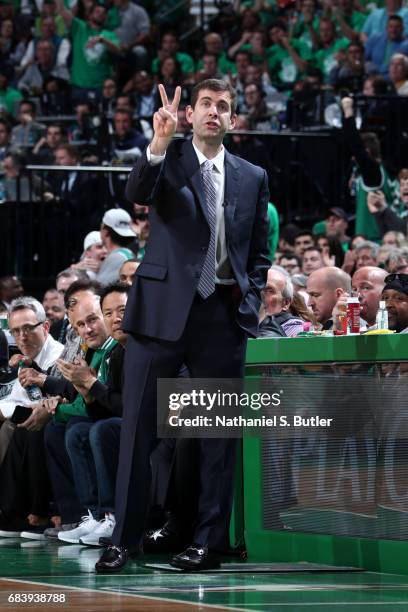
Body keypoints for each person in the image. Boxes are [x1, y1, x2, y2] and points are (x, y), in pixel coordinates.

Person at [96, 78, 270, 573]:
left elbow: (258, 250)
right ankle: (123, 540)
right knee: (137, 434)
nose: (215, 112)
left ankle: (207, 542)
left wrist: (250, 296)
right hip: (160, 313)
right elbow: (136, 193)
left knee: (219, 437)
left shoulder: (252, 176)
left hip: (221, 315)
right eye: (206, 105)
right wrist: (158, 140)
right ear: (190, 114)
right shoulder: (169, 158)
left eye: (224, 107)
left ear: (233, 120)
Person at [258, 267, 307, 337]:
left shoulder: (295, 326)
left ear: (286, 303)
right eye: (257, 289)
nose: (260, 294)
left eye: (268, 291)